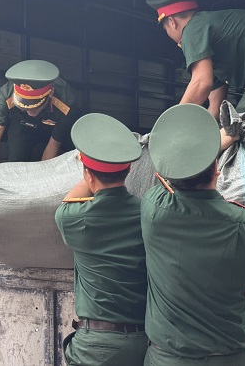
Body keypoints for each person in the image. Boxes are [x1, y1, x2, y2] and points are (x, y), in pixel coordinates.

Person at [141, 104, 245, 366]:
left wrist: (221, 140)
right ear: (217, 168)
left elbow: (164, 171)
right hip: (229, 359)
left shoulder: (153, 209)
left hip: (167, 359)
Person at [55, 113, 148, 366]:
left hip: (94, 349)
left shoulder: (71, 217)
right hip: (143, 344)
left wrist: (90, 171)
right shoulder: (149, 213)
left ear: (88, 175)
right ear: (129, 170)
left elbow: (69, 200)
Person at [146, 0, 245, 134]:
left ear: (172, 22)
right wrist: (208, 134)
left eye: (165, 29)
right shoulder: (210, 35)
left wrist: (172, 125)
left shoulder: (193, 29)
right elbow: (215, 106)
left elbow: (201, 83)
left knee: (236, 128)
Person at [0, 59, 81, 179]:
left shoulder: (67, 102)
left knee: (65, 161)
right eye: (24, 106)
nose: (29, 111)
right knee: (16, 162)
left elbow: (53, 145)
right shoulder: (7, 92)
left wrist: (41, 182)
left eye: (35, 106)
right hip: (22, 125)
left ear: (50, 92)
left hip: (55, 128)